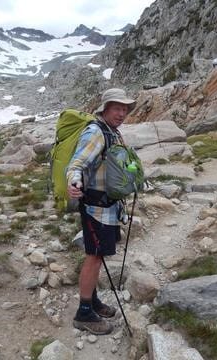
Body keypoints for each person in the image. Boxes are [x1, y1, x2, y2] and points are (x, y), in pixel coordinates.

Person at [66, 88, 136, 335]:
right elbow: (77, 163)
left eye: (125, 109)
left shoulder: (113, 133)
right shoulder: (96, 132)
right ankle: (83, 313)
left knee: (99, 255)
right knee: (94, 256)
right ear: (104, 109)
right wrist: (74, 182)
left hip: (108, 208)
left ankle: (92, 301)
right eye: (117, 108)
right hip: (95, 208)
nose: (121, 113)